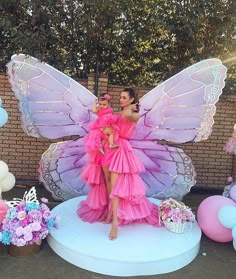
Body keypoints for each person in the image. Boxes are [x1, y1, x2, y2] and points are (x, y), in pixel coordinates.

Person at [77, 88, 161, 240]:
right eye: (120, 97)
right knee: (107, 181)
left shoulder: (134, 113)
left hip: (120, 149)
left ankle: (115, 222)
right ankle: (109, 210)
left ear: (131, 99)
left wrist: (130, 107)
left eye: (124, 97)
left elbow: (129, 116)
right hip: (107, 148)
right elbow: (105, 118)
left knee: (116, 187)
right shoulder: (118, 113)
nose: (121, 99)